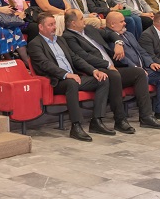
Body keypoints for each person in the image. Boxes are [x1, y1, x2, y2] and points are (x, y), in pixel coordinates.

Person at [27, 12, 113, 141]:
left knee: (102, 79)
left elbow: (75, 58)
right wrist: (67, 75)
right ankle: (76, 126)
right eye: (50, 25)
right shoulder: (35, 44)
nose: (54, 27)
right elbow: (45, 65)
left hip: (74, 76)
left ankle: (96, 121)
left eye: (54, 24)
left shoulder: (60, 39)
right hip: (56, 81)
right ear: (41, 27)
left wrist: (93, 70)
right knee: (71, 83)